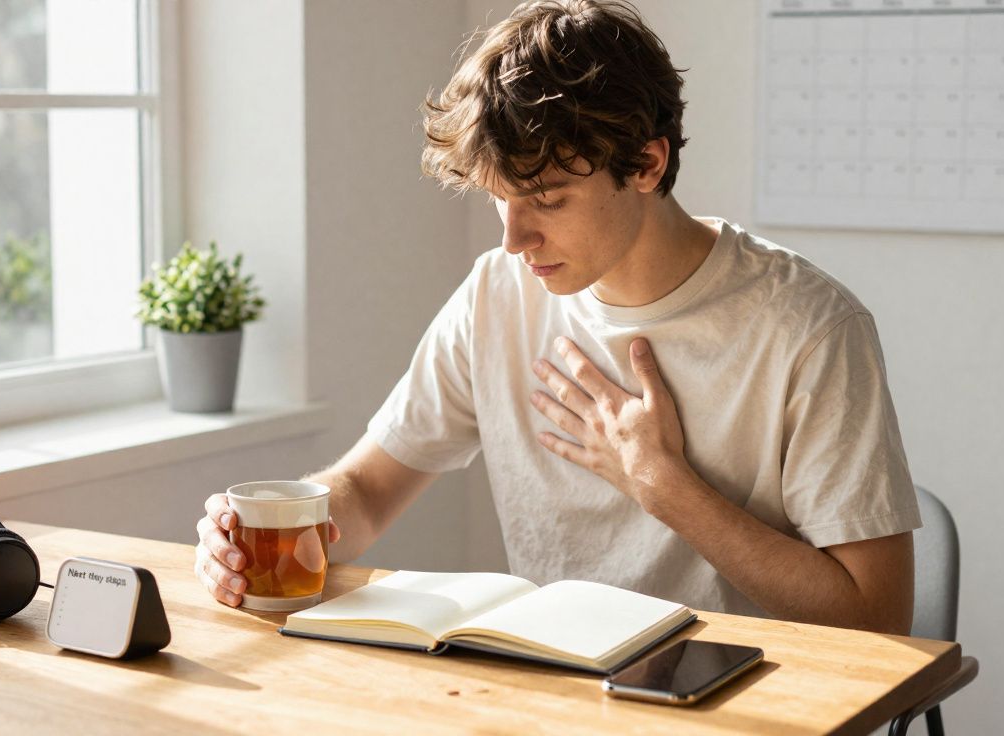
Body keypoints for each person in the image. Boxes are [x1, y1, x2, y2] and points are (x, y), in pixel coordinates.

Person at [195, 0, 921, 634]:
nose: (513, 241)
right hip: (559, 701)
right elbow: (369, 491)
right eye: (498, 200)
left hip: (752, 707)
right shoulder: (497, 293)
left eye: (545, 200)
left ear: (645, 164)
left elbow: (878, 619)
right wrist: (279, 534)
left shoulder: (810, 328)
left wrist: (662, 485)